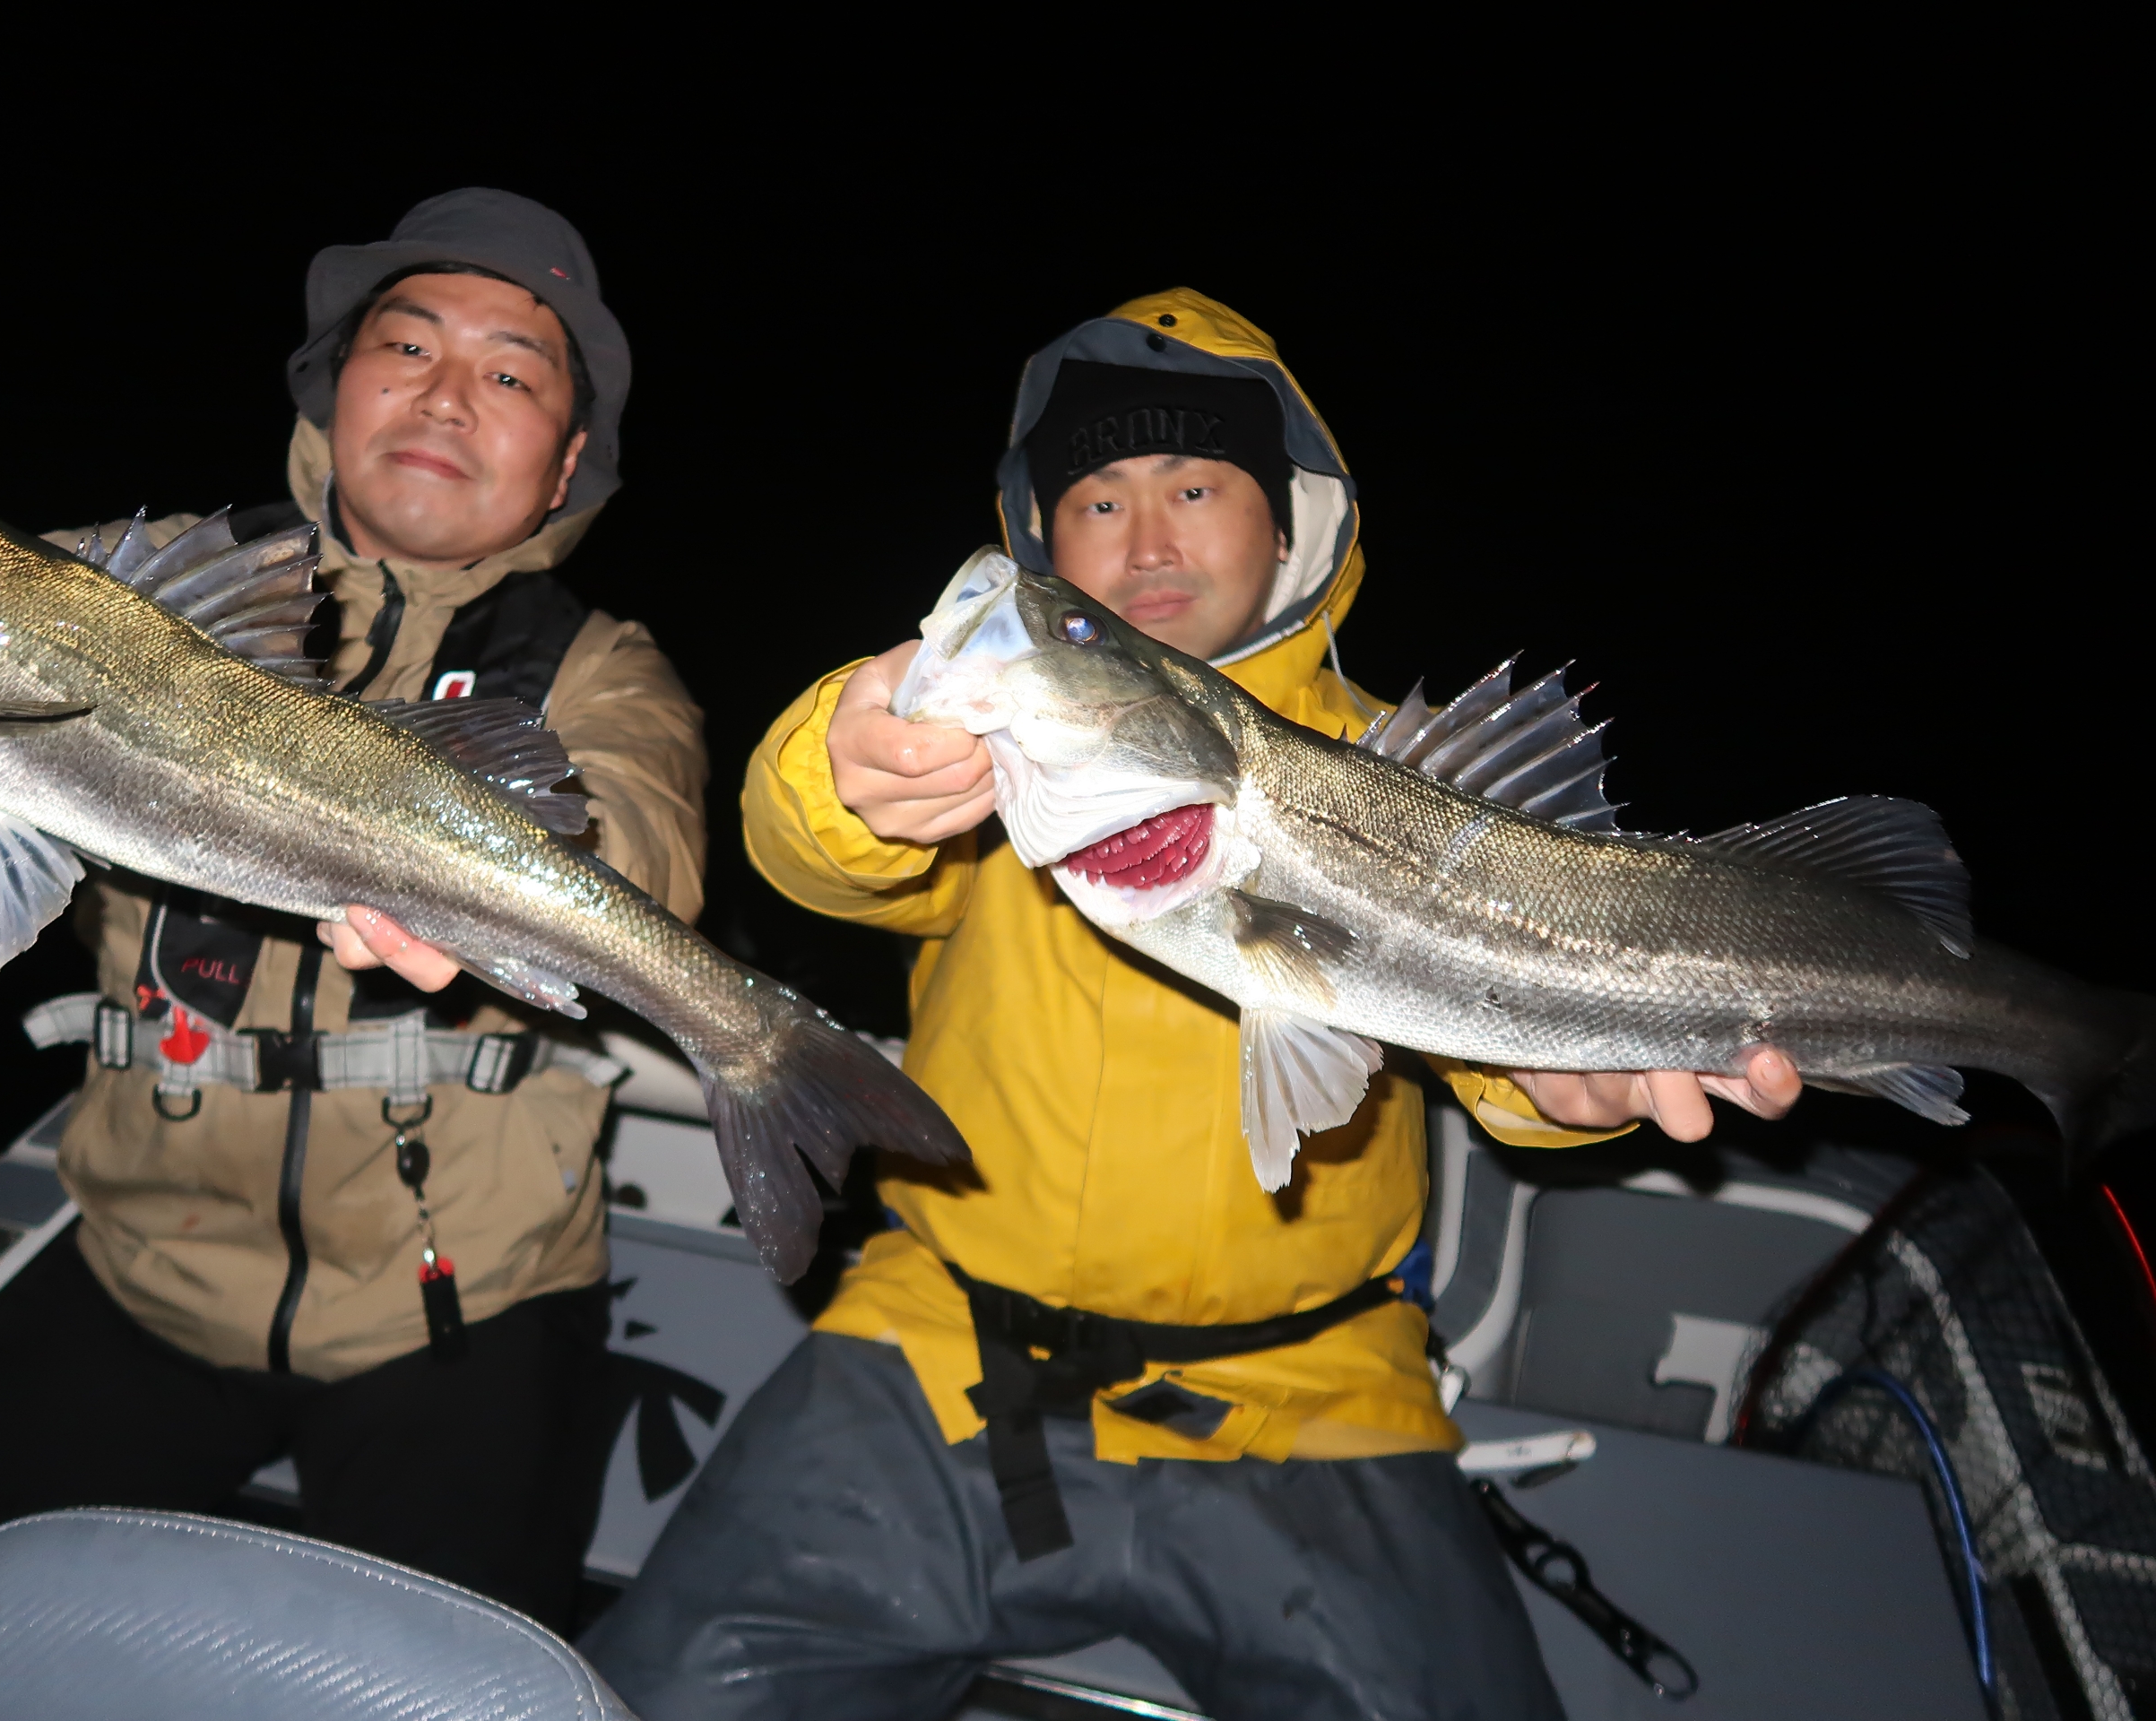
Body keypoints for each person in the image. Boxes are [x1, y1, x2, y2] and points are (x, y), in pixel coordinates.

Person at [579, 288, 1800, 1720]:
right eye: (1098, 501)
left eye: (1196, 487)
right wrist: (840, 769)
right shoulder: (995, 748)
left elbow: (1496, 1064)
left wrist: (1560, 1090)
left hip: (1316, 1393)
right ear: (1047, 546)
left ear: (1291, 523)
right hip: (943, 1348)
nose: (1147, 540)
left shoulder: (1410, 771)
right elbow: (814, 853)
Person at [0, 187, 703, 1705]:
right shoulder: (140, 574)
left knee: (460, 1688)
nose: (446, 394)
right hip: (145, 1267)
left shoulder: (602, 672)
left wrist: (534, 891)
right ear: (330, 388)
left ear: (566, 462)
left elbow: (640, 842)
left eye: (510, 372)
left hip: (465, 1301)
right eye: (406, 345)